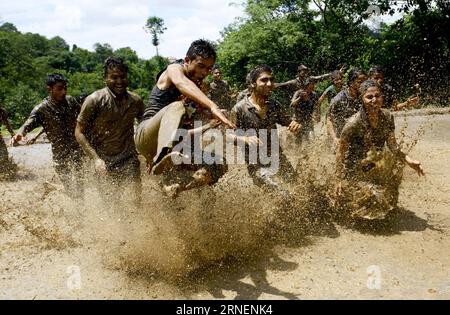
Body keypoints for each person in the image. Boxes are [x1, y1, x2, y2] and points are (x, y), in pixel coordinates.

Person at [135, 39, 234, 177]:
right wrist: (212, 106)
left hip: (177, 143)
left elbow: (195, 115)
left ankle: (176, 180)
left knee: (218, 163)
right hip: (147, 134)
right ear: (187, 60)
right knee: (177, 106)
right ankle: (162, 155)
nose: (205, 72)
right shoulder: (174, 69)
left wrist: (213, 115)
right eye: (201, 66)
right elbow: (181, 83)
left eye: (209, 68)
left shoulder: (200, 86)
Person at [335, 79, 424, 220]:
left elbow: (393, 146)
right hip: (354, 166)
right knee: (368, 196)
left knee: (394, 172)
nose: (374, 100)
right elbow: (340, 152)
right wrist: (338, 179)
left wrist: (409, 160)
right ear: (362, 99)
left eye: (377, 96)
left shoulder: (388, 117)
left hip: (373, 161)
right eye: (369, 97)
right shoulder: (353, 123)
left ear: (382, 97)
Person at [75, 57, 144, 207]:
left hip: (128, 158)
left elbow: (145, 126)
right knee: (112, 205)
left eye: (122, 77)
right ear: (105, 78)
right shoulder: (94, 100)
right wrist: (95, 159)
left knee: (135, 200)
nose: (119, 81)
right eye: (114, 77)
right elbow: (79, 132)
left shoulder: (136, 101)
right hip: (103, 161)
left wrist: (149, 154)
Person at [229, 65, 301, 197]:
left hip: (278, 159)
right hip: (257, 166)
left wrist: (294, 124)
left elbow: (287, 121)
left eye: (271, 80)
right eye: (264, 80)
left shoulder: (274, 105)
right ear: (252, 84)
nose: (269, 84)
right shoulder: (239, 109)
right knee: (283, 195)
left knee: (299, 189)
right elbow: (228, 135)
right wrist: (244, 139)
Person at [11, 74, 84, 198]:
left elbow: (84, 117)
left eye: (65, 88)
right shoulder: (42, 109)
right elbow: (28, 123)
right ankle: (76, 204)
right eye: (60, 88)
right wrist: (20, 133)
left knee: (80, 182)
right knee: (69, 186)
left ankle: (82, 206)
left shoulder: (71, 101)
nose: (64, 92)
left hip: (77, 147)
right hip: (59, 151)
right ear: (49, 89)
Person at [327, 68, 366, 149]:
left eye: (364, 81)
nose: (363, 85)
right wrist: (334, 138)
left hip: (360, 136)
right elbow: (329, 119)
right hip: (342, 138)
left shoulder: (365, 96)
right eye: (359, 82)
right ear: (351, 82)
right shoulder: (338, 99)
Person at [290, 78, 320, 144]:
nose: (312, 88)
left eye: (313, 86)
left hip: (308, 119)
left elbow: (317, 105)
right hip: (298, 119)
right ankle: (298, 153)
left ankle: (310, 153)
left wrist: (318, 115)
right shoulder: (298, 93)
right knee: (298, 140)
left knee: (311, 138)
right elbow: (292, 104)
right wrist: (300, 98)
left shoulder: (314, 95)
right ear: (305, 86)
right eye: (310, 87)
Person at [0, 106, 16, 178]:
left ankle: (5, 174)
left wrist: (13, 134)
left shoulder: (1, 111)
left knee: (4, 156)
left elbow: (7, 123)